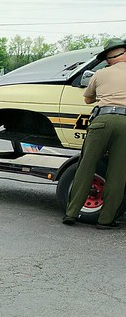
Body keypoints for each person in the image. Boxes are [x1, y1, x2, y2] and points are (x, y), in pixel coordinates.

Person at [62, 37, 126, 228]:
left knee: (86, 165)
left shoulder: (100, 74)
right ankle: (106, 220)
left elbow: (88, 100)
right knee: (118, 172)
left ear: (108, 59)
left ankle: (71, 213)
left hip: (101, 121)